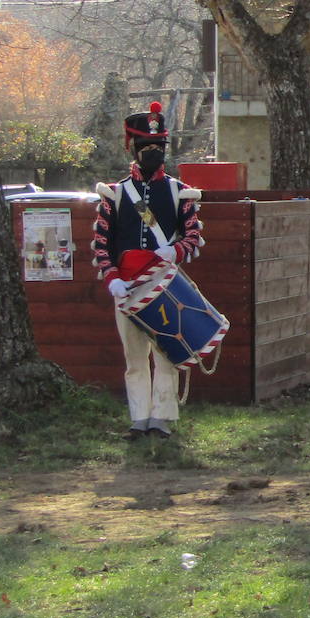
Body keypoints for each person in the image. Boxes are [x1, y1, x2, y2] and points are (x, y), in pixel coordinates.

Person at [92, 101, 203, 440]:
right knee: (135, 356)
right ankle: (138, 418)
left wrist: (176, 249)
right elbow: (101, 242)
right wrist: (111, 279)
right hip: (126, 285)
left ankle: (162, 417)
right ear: (136, 150)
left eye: (159, 147)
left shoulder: (178, 191)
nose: (154, 152)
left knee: (166, 353)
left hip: (163, 281)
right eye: (147, 147)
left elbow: (194, 235)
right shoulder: (116, 194)